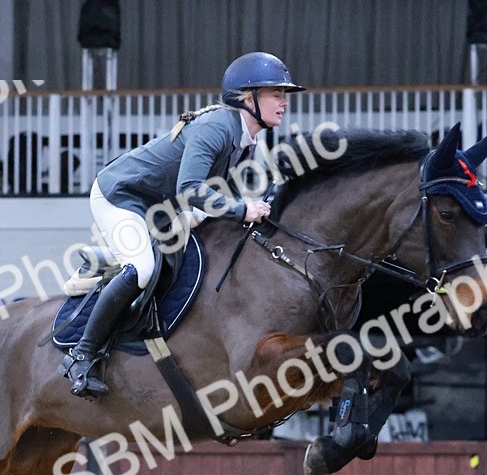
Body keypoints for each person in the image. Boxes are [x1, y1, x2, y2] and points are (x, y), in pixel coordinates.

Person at [60, 51, 304, 398]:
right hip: (121, 196)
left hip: (161, 205)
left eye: (284, 95)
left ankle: (106, 260)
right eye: (276, 94)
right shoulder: (217, 128)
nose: (284, 103)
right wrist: (240, 210)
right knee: (142, 268)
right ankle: (81, 356)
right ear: (248, 99)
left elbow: (217, 194)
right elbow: (190, 190)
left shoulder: (244, 139)